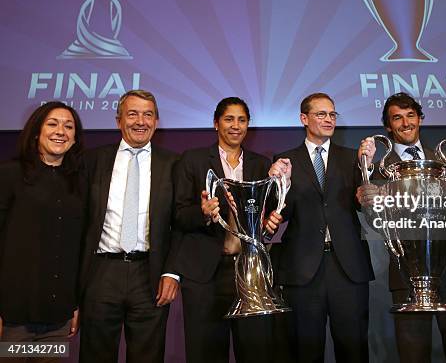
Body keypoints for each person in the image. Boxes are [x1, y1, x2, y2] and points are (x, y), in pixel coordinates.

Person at [358, 92, 446, 363]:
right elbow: (375, 221)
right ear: (388, 127)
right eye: (397, 118)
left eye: (410, 115)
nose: (405, 123)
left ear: (420, 119)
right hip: (407, 270)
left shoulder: (445, 161)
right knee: (414, 355)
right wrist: (369, 201)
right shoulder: (379, 170)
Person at [173, 96, 283, 363]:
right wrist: (203, 213)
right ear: (215, 123)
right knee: (205, 353)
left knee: (255, 352)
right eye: (229, 119)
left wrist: (271, 224)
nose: (236, 126)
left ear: (249, 125)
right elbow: (178, 215)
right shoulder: (194, 160)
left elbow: (266, 216)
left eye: (242, 120)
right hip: (205, 274)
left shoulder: (261, 164)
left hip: (248, 273)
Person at [78, 90, 181, 363]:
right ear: (118, 120)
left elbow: (181, 224)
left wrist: (172, 272)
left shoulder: (174, 164)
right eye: (132, 114)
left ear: (157, 122)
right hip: (101, 273)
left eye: (148, 115)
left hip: (150, 275)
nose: (140, 121)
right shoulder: (92, 160)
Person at [272, 92, 373, 362]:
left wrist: (368, 169)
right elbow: (281, 212)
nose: (328, 119)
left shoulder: (354, 158)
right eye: (321, 114)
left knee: (353, 349)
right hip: (303, 270)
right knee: (305, 351)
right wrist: (279, 185)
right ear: (304, 118)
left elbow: (366, 205)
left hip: (348, 267)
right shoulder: (284, 160)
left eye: (332, 114)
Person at [0, 102, 84, 359]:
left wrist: (74, 304)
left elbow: (77, 248)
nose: (61, 131)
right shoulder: (9, 175)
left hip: (57, 319)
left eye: (69, 126)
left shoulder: (80, 182)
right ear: (36, 131)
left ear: (74, 138)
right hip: (13, 319)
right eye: (53, 124)